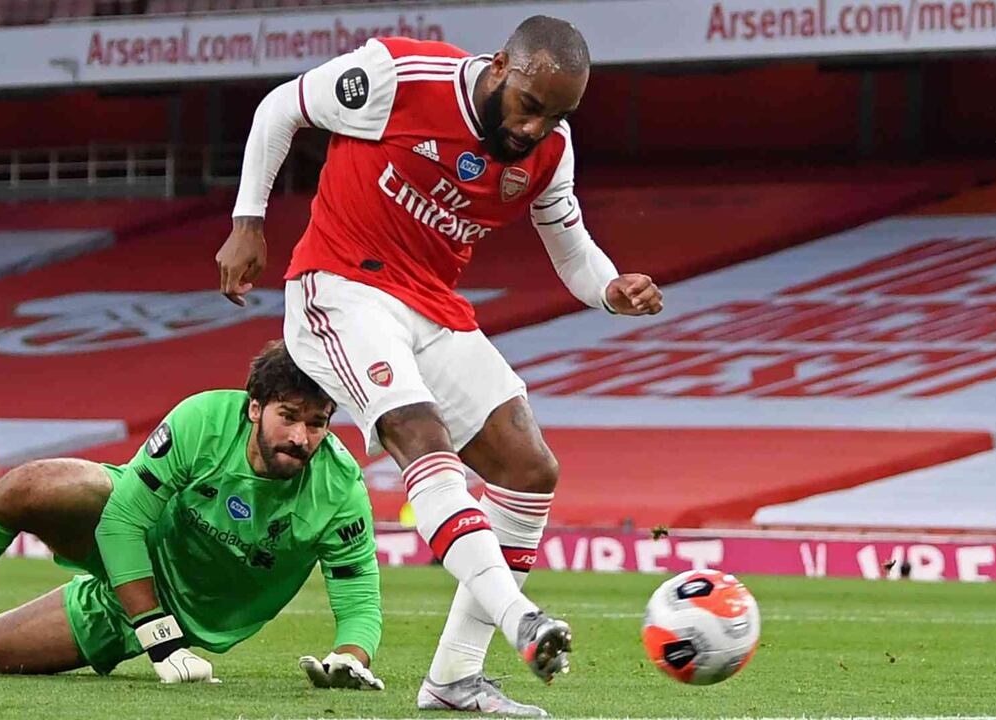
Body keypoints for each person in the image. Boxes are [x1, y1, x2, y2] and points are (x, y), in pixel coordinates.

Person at [216, 15, 663, 715]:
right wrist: (248, 221)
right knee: (417, 431)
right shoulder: (400, 77)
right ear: (499, 66)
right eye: (529, 105)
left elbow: (572, 249)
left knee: (529, 468)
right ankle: (520, 619)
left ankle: (455, 678)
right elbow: (282, 107)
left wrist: (610, 290)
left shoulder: (551, 151)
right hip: (339, 285)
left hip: (432, 308)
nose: (535, 128)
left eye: (557, 116)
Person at [0, 341, 383, 691]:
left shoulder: (339, 488)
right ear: (254, 407)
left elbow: (359, 598)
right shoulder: (203, 421)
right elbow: (121, 521)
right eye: (289, 417)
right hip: (137, 533)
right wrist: (160, 642)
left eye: (318, 423)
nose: (302, 438)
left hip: (158, 608)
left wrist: (350, 658)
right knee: (31, 485)